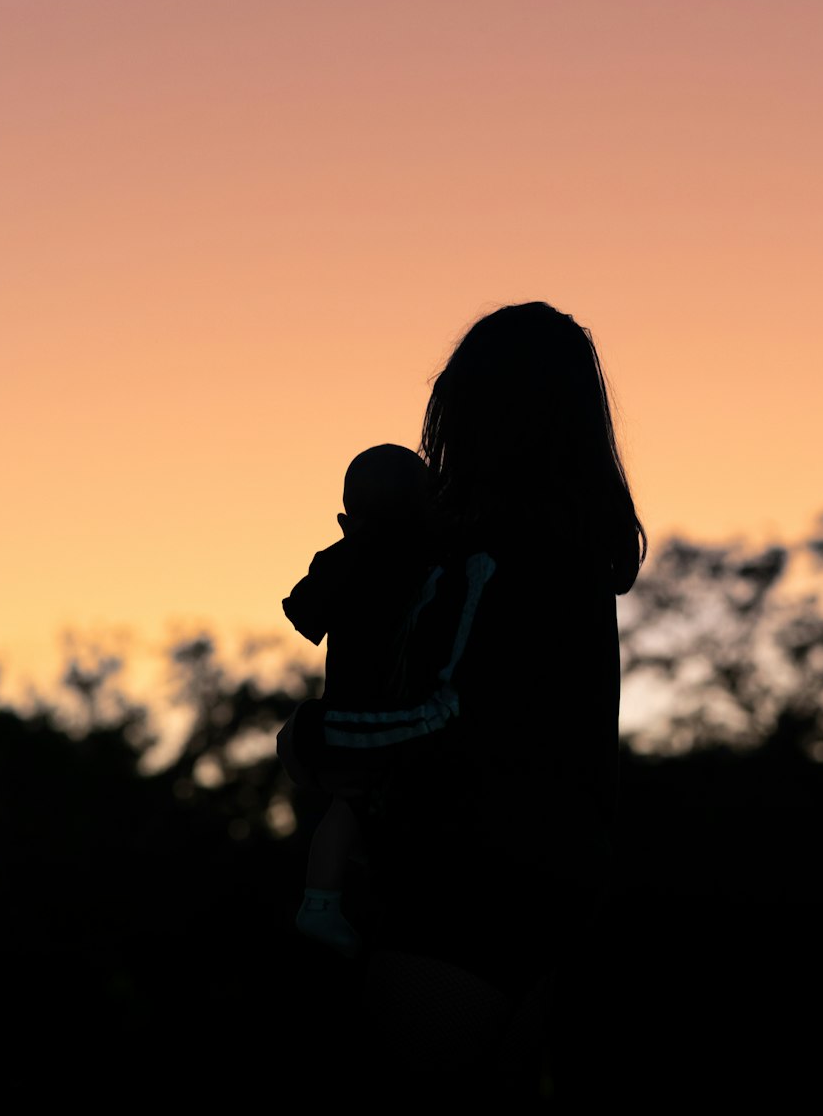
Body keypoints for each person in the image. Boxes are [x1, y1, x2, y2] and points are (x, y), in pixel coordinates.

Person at [277, 301, 648, 1096]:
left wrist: (316, 736)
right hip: (537, 906)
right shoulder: (562, 551)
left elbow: (457, 716)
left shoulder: (508, 556)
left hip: (460, 907)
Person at [279, 442, 437, 959]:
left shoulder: (342, 559)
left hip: (348, 713)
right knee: (363, 805)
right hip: (394, 716)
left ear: (347, 519)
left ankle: (324, 900)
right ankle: (325, 904)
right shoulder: (432, 563)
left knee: (349, 807)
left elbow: (303, 615)